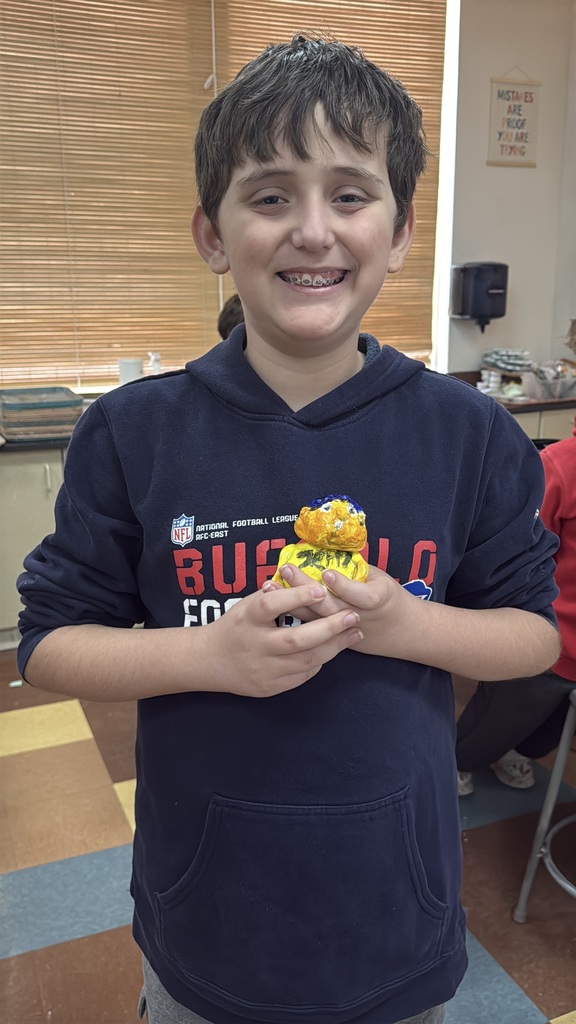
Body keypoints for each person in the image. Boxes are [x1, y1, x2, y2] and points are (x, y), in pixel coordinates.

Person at [16, 33, 560, 1024]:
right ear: (213, 233)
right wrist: (212, 654)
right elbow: (49, 647)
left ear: (399, 231)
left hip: (396, 911)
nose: (313, 230)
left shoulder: (465, 431)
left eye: (350, 195)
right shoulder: (134, 431)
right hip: (206, 913)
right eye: (270, 196)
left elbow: (534, 633)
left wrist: (404, 625)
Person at [456, 424, 576, 796]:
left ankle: (514, 750)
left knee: (549, 731)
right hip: (556, 636)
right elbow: (525, 554)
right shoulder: (561, 465)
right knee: (498, 718)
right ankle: (457, 761)